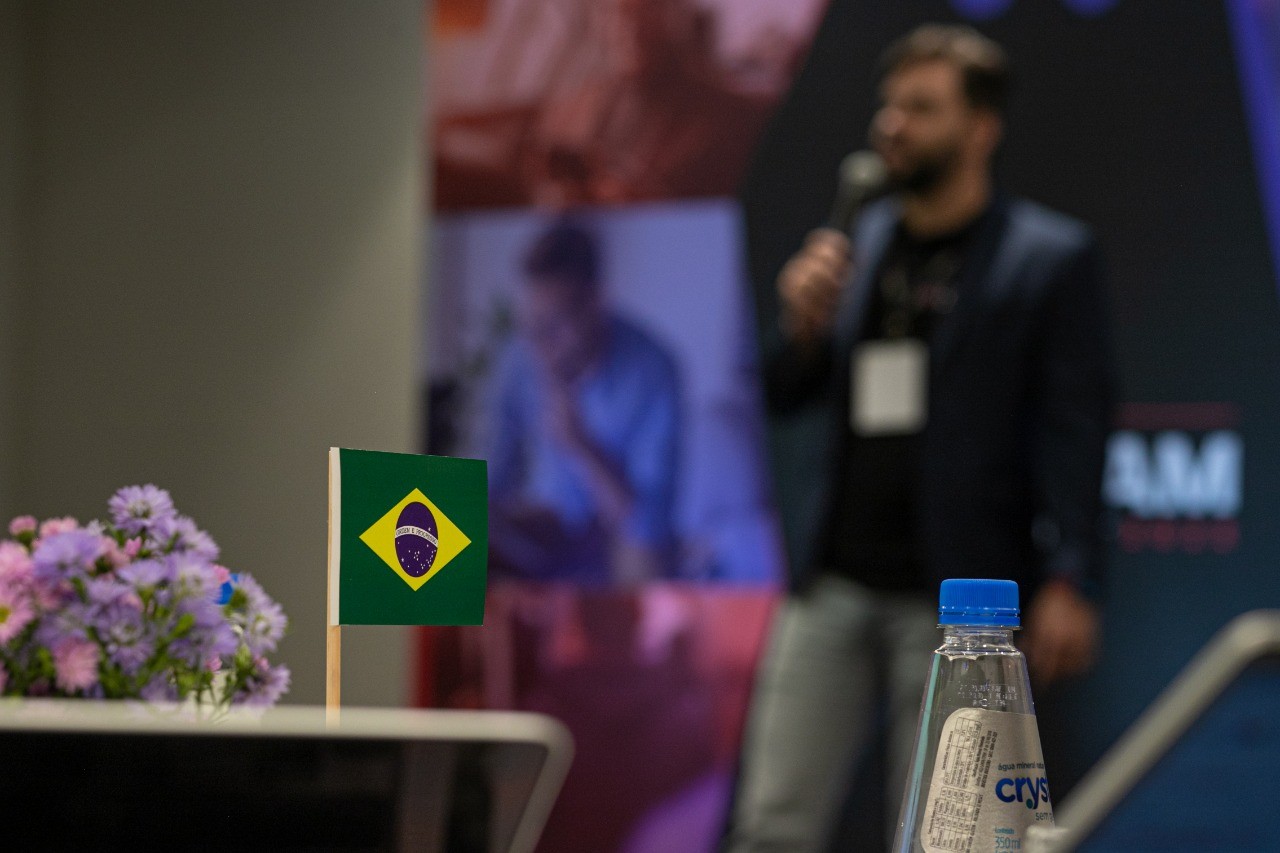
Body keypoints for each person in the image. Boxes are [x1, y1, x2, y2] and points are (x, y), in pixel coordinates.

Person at [723, 24, 1113, 852]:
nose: (892, 125)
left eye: (922, 108)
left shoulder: (1044, 258)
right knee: (771, 822)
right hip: (833, 578)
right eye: (890, 106)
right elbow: (788, 394)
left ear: (981, 128)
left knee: (949, 833)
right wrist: (801, 327)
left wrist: (1071, 574)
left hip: (957, 596)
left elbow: (1076, 426)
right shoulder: (858, 245)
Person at [487, 220, 682, 584]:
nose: (541, 346)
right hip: (542, 530)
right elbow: (490, 478)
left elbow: (646, 523)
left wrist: (579, 445)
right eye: (534, 325)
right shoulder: (520, 357)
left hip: (617, 540)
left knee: (641, 554)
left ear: (594, 304)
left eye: (555, 325)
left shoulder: (653, 369)